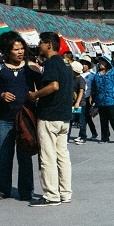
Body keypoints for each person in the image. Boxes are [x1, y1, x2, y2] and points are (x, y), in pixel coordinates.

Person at [0, 32, 37, 201]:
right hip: (4, 119)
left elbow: (43, 85)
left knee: (25, 156)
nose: (21, 52)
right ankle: (3, 190)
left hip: (25, 118)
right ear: (8, 51)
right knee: (5, 157)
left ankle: (26, 190)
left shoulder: (30, 67)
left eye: (22, 48)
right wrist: (1, 95)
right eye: (16, 49)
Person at [28, 32, 74, 208]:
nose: (39, 46)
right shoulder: (66, 63)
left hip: (49, 115)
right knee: (62, 155)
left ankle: (51, 195)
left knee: (47, 156)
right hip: (64, 116)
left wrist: (35, 95)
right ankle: (65, 192)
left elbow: (53, 85)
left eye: (40, 42)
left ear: (48, 44)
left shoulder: (51, 62)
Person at [91, 55, 114, 143]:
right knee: (103, 119)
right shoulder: (97, 75)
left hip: (113, 99)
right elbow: (94, 87)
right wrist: (92, 97)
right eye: (99, 62)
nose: (100, 64)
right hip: (101, 100)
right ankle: (105, 137)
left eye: (102, 62)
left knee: (113, 117)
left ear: (107, 63)